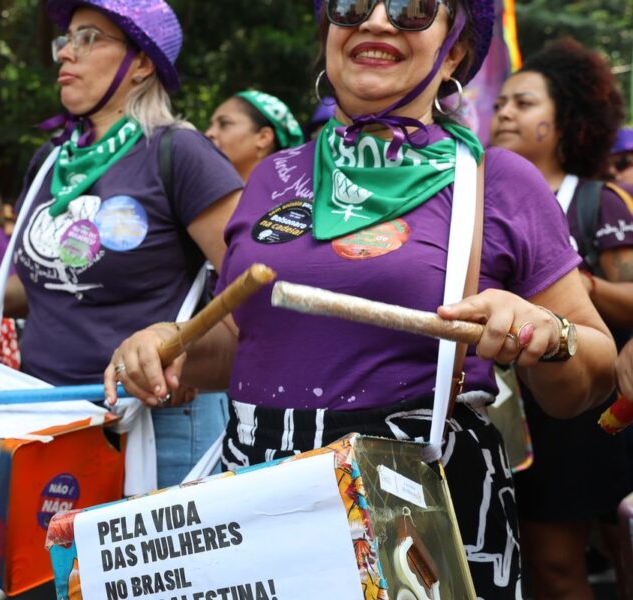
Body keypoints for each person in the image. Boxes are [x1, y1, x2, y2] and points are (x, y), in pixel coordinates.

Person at [105, 1, 617, 598]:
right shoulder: (274, 175)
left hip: (421, 511)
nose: (375, 20)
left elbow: (597, 367)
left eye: (412, 8)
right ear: (330, 37)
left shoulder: (498, 180)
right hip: (260, 497)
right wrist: (172, 344)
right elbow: (247, 343)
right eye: (350, 5)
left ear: (452, 50)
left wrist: (546, 334)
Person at [0, 1, 242, 597]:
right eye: (65, 40)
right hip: (50, 429)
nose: (65, 53)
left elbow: (249, 289)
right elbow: (52, 286)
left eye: (88, 38)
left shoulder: (180, 153)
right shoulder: (51, 163)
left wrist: (182, 350)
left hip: (154, 429)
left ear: (142, 62)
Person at [489, 38, 632, 598]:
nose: (504, 112)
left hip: (578, 414)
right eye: (501, 103)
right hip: (500, 416)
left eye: (524, 104)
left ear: (567, 120)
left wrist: (574, 282)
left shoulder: (599, 201)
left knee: (557, 563)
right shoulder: (475, 197)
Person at [204, 90, 304, 181]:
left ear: (263, 138)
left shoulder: (283, 200)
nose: (208, 133)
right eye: (211, 125)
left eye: (224, 123)